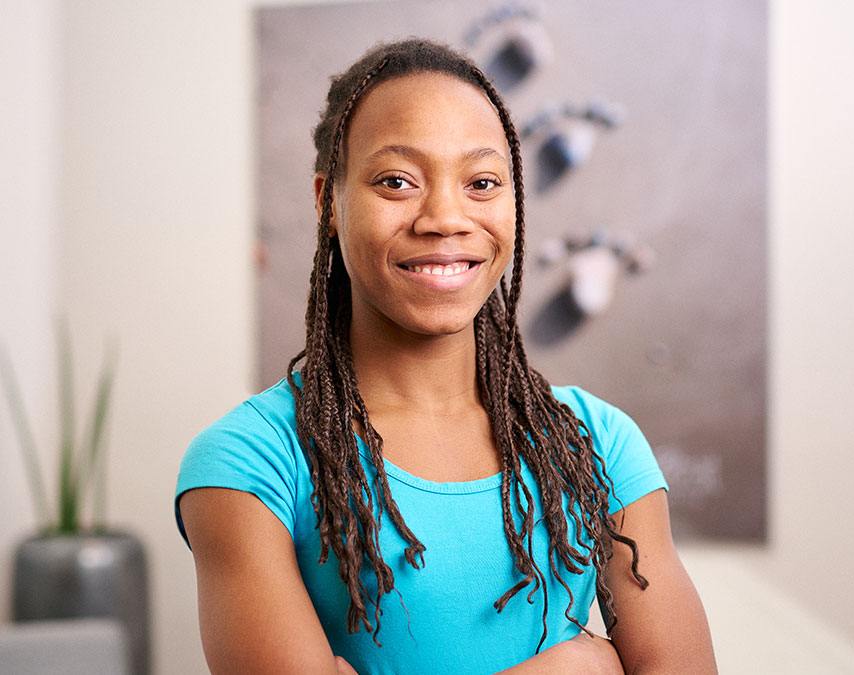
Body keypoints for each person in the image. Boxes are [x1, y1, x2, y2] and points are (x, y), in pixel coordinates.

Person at [175, 39, 716, 675]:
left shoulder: (595, 443)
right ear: (327, 203)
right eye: (396, 182)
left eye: (481, 183)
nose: (444, 218)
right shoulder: (249, 463)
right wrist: (576, 669)